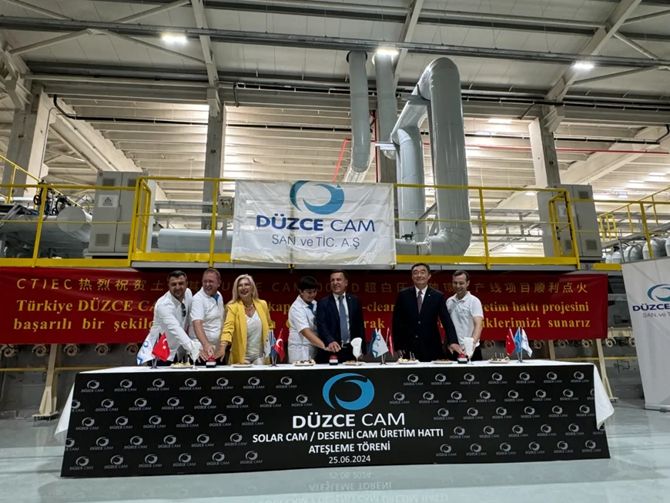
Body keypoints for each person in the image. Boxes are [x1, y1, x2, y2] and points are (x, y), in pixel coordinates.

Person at [392, 263, 459, 361]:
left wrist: (453, 341)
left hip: (432, 347)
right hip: (408, 347)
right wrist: (398, 345)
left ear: (429, 276)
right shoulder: (403, 295)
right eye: (415, 273)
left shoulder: (437, 296)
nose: (419, 275)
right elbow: (397, 322)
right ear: (412, 276)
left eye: (423, 272)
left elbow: (446, 321)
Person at [139, 270, 201, 365]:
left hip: (177, 350)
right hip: (160, 352)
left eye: (181, 283)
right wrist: (193, 348)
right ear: (168, 285)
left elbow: (190, 320)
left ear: (186, 284)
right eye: (173, 284)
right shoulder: (163, 305)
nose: (178, 287)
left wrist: (195, 341)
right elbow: (176, 329)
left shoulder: (188, 293)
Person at [216, 274, 272, 364]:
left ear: (252, 288)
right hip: (241, 357)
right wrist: (222, 347)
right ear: (236, 290)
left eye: (246, 284)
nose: (243, 287)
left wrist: (272, 345)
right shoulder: (232, 307)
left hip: (260, 356)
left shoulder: (262, 304)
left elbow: (269, 327)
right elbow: (228, 329)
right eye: (240, 285)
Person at [315, 270, 365, 363]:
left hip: (351, 351)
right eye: (332, 280)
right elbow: (321, 325)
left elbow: (359, 326)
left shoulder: (354, 301)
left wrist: (361, 348)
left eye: (338, 280)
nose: (335, 283)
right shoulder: (323, 303)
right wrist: (330, 341)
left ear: (346, 282)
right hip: (331, 350)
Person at [446, 269, 485, 361]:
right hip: (455, 349)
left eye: (461, 283)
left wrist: (471, 346)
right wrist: (449, 343)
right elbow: (448, 325)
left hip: (472, 350)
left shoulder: (474, 301)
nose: (458, 286)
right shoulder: (449, 301)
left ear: (467, 283)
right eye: (455, 283)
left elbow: (478, 325)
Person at [189, 268, 224, 361]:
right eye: (205, 281)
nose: (207, 284)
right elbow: (197, 323)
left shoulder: (219, 295)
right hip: (202, 351)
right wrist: (206, 345)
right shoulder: (198, 299)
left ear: (218, 283)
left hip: (215, 350)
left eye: (211, 281)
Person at [288, 275, 325, 362]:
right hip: (300, 350)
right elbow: (305, 332)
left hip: (313, 347)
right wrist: (324, 346)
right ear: (301, 291)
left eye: (314, 291)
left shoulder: (315, 303)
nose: (312, 295)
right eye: (309, 292)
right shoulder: (296, 308)